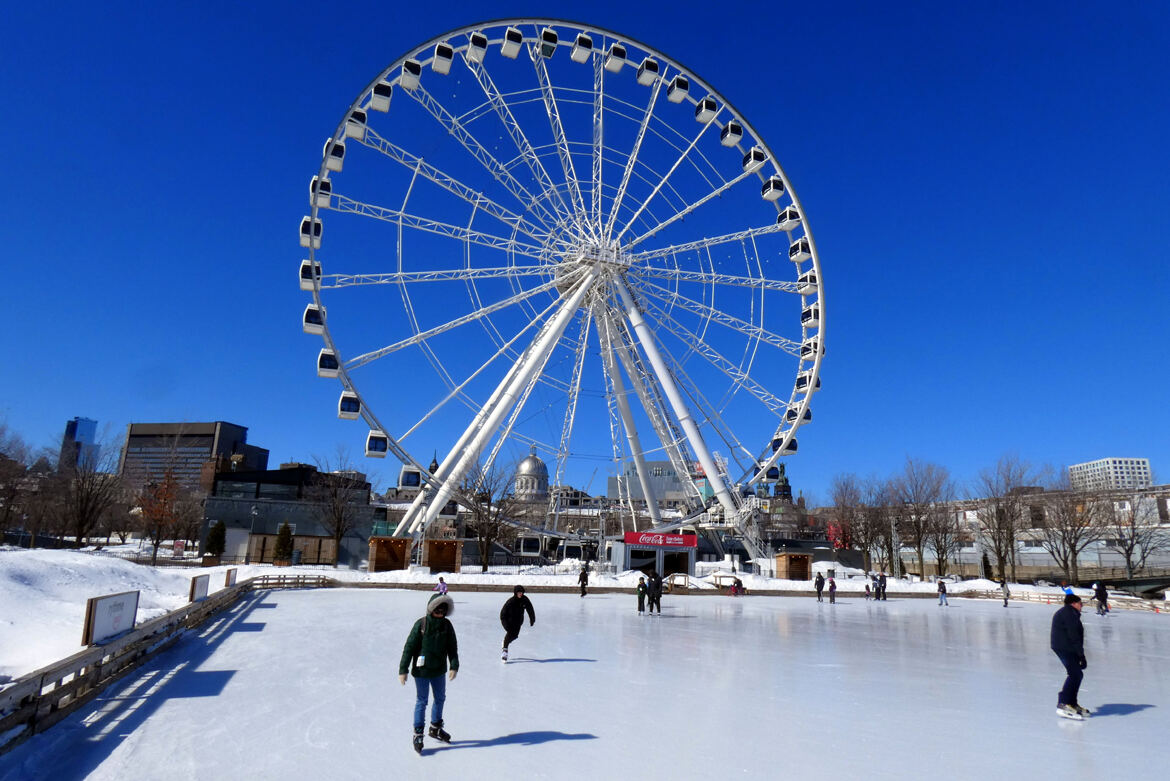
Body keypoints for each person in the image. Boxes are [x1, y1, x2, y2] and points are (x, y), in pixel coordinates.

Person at [399, 593, 459, 754]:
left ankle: (435, 727)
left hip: (439, 670)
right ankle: (418, 734)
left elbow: (452, 647)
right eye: (438, 611)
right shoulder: (421, 624)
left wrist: (454, 665)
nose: (440, 614)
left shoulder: (447, 626)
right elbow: (409, 647)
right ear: (431, 609)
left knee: (440, 698)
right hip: (422, 671)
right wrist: (403, 669)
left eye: (443, 612)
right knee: (422, 701)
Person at [1050, 593, 1089, 720]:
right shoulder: (1069, 614)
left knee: (1077, 674)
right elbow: (1074, 635)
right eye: (1080, 603)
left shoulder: (1070, 613)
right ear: (1073, 603)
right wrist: (1081, 655)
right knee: (1075, 674)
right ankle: (1063, 703)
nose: (1081, 606)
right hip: (1064, 647)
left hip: (1066, 647)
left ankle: (1072, 703)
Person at [499, 585, 535, 661]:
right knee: (509, 634)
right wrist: (505, 624)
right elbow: (502, 614)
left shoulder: (525, 600)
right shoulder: (510, 601)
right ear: (515, 593)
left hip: (518, 622)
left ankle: (505, 642)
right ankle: (504, 653)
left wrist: (532, 618)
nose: (520, 594)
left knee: (515, 636)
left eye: (521, 592)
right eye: (519, 593)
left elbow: (530, 609)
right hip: (509, 621)